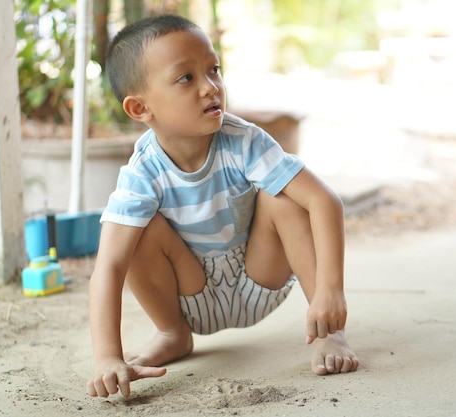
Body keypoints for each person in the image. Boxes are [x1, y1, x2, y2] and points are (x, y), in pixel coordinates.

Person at [86, 14, 359, 398]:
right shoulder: (141, 174)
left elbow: (323, 200)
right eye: (187, 78)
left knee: (282, 193)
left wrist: (331, 290)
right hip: (190, 299)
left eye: (214, 70)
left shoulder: (245, 141)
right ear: (139, 109)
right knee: (132, 227)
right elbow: (108, 267)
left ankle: (329, 335)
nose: (211, 87)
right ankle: (172, 334)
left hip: (259, 278)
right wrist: (106, 358)